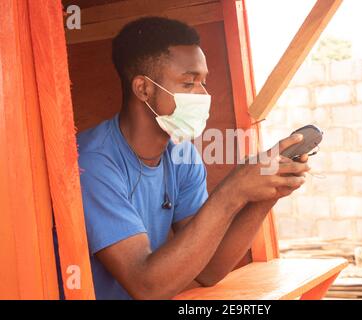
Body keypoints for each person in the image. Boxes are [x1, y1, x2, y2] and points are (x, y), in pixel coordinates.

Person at [77, 16, 310, 300]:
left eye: (203, 82)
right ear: (143, 89)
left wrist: (265, 195)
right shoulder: (92, 161)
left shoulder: (181, 154)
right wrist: (232, 191)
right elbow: (146, 286)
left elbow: (209, 270)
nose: (203, 95)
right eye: (189, 84)